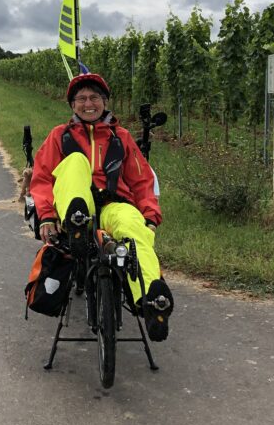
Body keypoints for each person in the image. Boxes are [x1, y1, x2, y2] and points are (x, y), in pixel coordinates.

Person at [29, 73, 174, 341]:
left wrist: (150, 216)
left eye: (94, 97)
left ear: (104, 102)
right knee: (73, 162)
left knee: (133, 227)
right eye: (81, 98)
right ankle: (77, 221)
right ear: (72, 105)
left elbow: (142, 180)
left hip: (112, 204)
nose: (88, 104)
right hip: (74, 203)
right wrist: (47, 216)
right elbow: (42, 179)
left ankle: (151, 302)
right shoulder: (59, 136)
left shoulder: (122, 138)